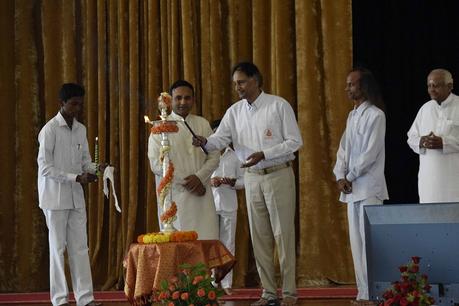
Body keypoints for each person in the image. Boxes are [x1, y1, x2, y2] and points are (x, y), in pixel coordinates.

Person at [193, 62, 303, 306]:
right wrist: (204, 142)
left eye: (241, 82)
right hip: (252, 177)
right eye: (235, 83)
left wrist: (265, 153)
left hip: (278, 173)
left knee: (283, 234)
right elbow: (218, 139)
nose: (237, 87)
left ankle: (290, 293)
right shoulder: (234, 112)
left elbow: (295, 142)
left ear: (255, 80)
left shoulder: (278, 105)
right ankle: (268, 292)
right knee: (259, 236)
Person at [37, 83, 102, 306]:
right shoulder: (49, 130)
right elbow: (46, 168)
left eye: (80, 104)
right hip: (54, 198)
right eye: (73, 104)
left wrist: (97, 167)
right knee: (57, 249)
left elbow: (84, 161)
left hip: (76, 198)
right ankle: (60, 299)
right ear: (61, 104)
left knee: (80, 248)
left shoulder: (80, 129)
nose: (77, 108)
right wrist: (76, 178)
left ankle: (85, 298)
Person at [333, 68, 388, 302]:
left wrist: (351, 176)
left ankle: (374, 293)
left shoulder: (376, 115)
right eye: (347, 84)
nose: (347, 89)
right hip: (351, 189)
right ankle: (363, 293)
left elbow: (370, 153)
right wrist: (339, 175)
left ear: (363, 86)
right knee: (356, 245)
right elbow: (343, 149)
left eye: (351, 84)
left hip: (369, 189)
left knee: (369, 245)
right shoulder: (352, 115)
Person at [147, 80, 219, 239]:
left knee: (205, 243)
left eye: (187, 98)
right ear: (170, 101)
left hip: (202, 196)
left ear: (193, 100)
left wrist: (199, 178)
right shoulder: (159, 127)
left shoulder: (202, 123)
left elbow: (214, 156)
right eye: (178, 98)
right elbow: (156, 164)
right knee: (179, 248)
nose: (183, 102)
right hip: (175, 197)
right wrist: (188, 182)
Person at [407, 69, 459, 203]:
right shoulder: (425, 109)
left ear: (450, 86)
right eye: (429, 86)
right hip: (429, 184)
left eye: (436, 85)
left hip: (454, 183)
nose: (431, 89)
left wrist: (444, 143)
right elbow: (411, 138)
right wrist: (421, 141)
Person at [209, 119, 245, 295]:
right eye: (216, 132)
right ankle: (211, 283)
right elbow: (198, 178)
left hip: (229, 204)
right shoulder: (205, 154)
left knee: (228, 243)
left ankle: (227, 283)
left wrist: (232, 182)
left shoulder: (236, 155)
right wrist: (210, 182)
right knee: (210, 243)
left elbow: (245, 181)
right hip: (209, 205)